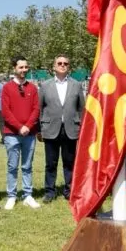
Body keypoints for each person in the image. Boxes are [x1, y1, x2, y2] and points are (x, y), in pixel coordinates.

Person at [38, 55, 85, 203]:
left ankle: (69, 190)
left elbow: (81, 108)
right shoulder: (45, 85)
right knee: (50, 163)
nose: (62, 65)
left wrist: (81, 126)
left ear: (69, 67)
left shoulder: (76, 85)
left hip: (71, 129)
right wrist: (40, 129)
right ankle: (49, 192)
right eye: (59, 63)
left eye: (65, 63)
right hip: (51, 129)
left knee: (69, 162)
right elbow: (39, 108)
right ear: (54, 66)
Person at [0, 55, 41, 210]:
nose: (24, 70)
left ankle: (27, 195)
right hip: (12, 134)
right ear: (14, 68)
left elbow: (36, 109)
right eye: (21, 67)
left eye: (26, 67)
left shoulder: (32, 88)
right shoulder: (7, 88)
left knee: (27, 165)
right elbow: (5, 111)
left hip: (29, 134)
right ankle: (11, 196)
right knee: (12, 166)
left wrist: (28, 126)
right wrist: (19, 127)